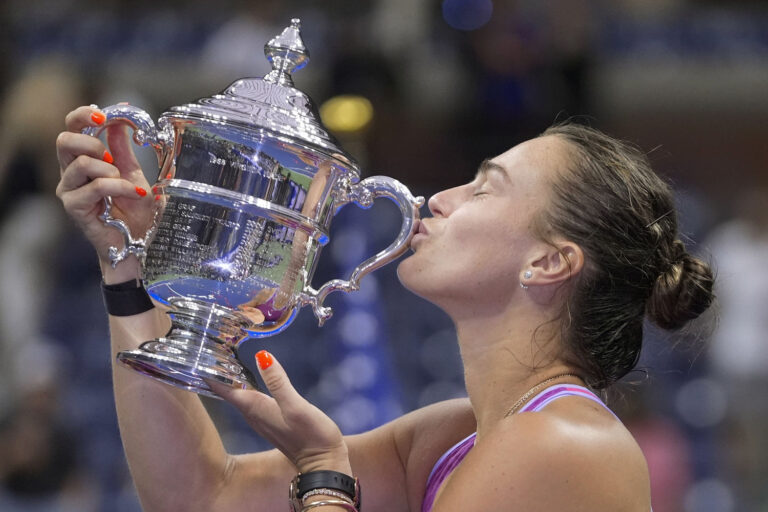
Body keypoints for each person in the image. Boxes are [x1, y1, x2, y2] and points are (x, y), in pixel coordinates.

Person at [55, 105, 714, 511]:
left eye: (485, 189)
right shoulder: (458, 436)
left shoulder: (563, 445)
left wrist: (325, 477)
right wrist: (128, 260)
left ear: (548, 263)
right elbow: (198, 498)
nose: (439, 199)